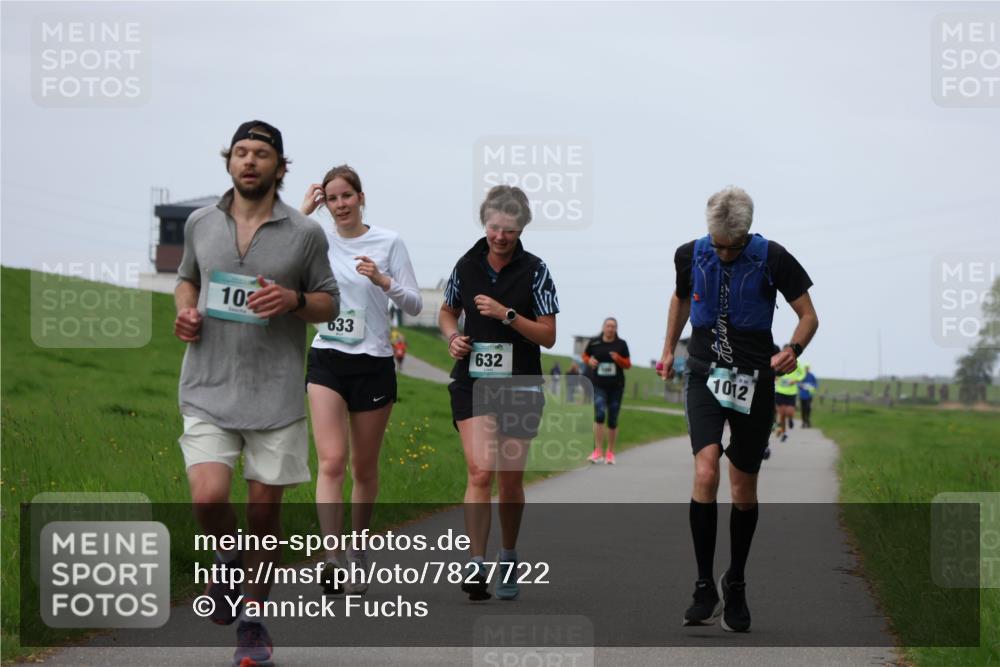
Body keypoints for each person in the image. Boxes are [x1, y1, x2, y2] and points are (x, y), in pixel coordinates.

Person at [173, 120, 340, 667]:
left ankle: (251, 621)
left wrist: (293, 300)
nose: (249, 161)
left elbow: (329, 303)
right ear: (229, 162)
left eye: (261, 154)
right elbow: (187, 278)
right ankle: (225, 565)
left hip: (277, 395)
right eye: (241, 152)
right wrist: (185, 310)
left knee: (265, 517)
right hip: (207, 385)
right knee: (208, 497)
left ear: (279, 167)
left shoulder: (305, 233)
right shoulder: (201, 222)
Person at [657, 186, 818, 632]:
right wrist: (669, 349)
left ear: (746, 235)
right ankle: (704, 584)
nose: (725, 254)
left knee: (742, 488)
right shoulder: (690, 254)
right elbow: (681, 298)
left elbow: (808, 315)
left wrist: (793, 348)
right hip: (704, 374)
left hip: (755, 377)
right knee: (705, 472)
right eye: (719, 245)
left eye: (733, 246)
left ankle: (737, 582)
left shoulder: (773, 256)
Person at [300, 165, 422, 595]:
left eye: (346, 196)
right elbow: (281, 260)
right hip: (328, 356)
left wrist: (383, 280)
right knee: (331, 462)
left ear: (360, 196)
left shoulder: (389, 241)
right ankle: (330, 557)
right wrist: (302, 211)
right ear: (324, 202)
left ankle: (357, 552)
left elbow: (414, 305)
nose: (340, 205)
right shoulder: (315, 237)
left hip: (373, 361)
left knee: (363, 468)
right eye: (331, 198)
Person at [439, 185, 559, 601]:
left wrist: (507, 315)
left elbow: (548, 336)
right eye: (494, 227)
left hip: (520, 383)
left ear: (521, 227)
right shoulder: (467, 264)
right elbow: (446, 309)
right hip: (472, 381)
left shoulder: (536, 270)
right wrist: (452, 336)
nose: (500, 237)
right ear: (484, 222)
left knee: (509, 482)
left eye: (509, 229)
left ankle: (507, 554)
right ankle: (476, 563)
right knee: (479, 471)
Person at [584, 317, 631, 465]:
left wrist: (618, 359)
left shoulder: (621, 344)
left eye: (613, 326)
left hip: (616, 386)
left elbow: (628, 364)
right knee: (599, 414)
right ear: (603, 327)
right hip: (598, 384)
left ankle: (610, 452)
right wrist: (589, 361)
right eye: (608, 326)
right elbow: (585, 356)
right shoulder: (594, 342)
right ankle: (597, 451)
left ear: (616, 329)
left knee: (612, 418)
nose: (610, 329)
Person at [774, 358, 806, 441]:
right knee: (781, 414)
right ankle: (784, 433)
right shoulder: (779, 361)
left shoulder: (796, 363)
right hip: (780, 391)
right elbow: (772, 370)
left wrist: (796, 380)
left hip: (791, 392)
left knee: (789, 412)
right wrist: (774, 377)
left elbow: (803, 374)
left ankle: (791, 419)